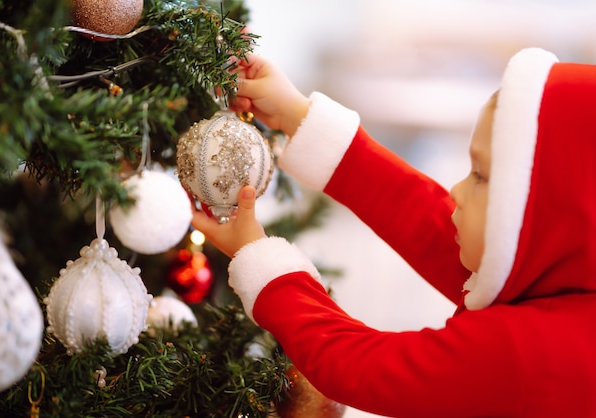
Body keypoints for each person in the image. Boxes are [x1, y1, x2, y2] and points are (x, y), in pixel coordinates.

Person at [190, 47, 596, 417]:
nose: (457, 189)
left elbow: (355, 367)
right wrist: (297, 117)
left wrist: (258, 257)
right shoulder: (565, 275)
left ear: (549, 214)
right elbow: (426, 222)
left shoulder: (525, 357)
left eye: (481, 176)